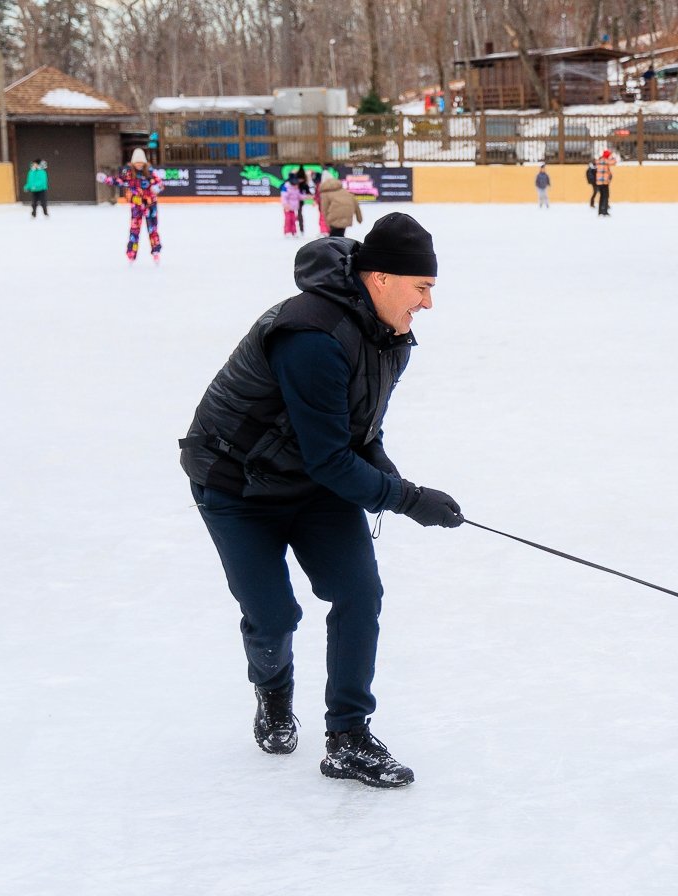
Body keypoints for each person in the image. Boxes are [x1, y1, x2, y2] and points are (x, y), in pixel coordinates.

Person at [179, 214, 464, 789]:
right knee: (274, 617)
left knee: (359, 592)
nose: (428, 304)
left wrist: (397, 482)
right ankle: (274, 690)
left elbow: (360, 435)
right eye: (423, 288)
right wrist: (410, 500)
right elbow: (331, 459)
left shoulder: (390, 338)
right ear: (380, 279)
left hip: (313, 485)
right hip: (238, 486)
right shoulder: (311, 336)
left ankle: (349, 737)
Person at [97, 148, 163, 264]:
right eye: (137, 163)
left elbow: (160, 184)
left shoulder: (150, 171)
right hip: (136, 206)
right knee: (134, 230)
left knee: (153, 229)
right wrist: (106, 179)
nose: (139, 165)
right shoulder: (127, 173)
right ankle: (131, 254)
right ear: (133, 163)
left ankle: (156, 252)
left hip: (150, 206)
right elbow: (118, 181)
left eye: (141, 163)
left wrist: (156, 188)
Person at [594, 149, 615, 217]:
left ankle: (600, 211)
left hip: (599, 182)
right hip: (605, 182)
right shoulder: (605, 160)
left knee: (601, 196)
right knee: (606, 196)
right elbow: (614, 162)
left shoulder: (599, 160)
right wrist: (611, 156)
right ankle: (605, 211)